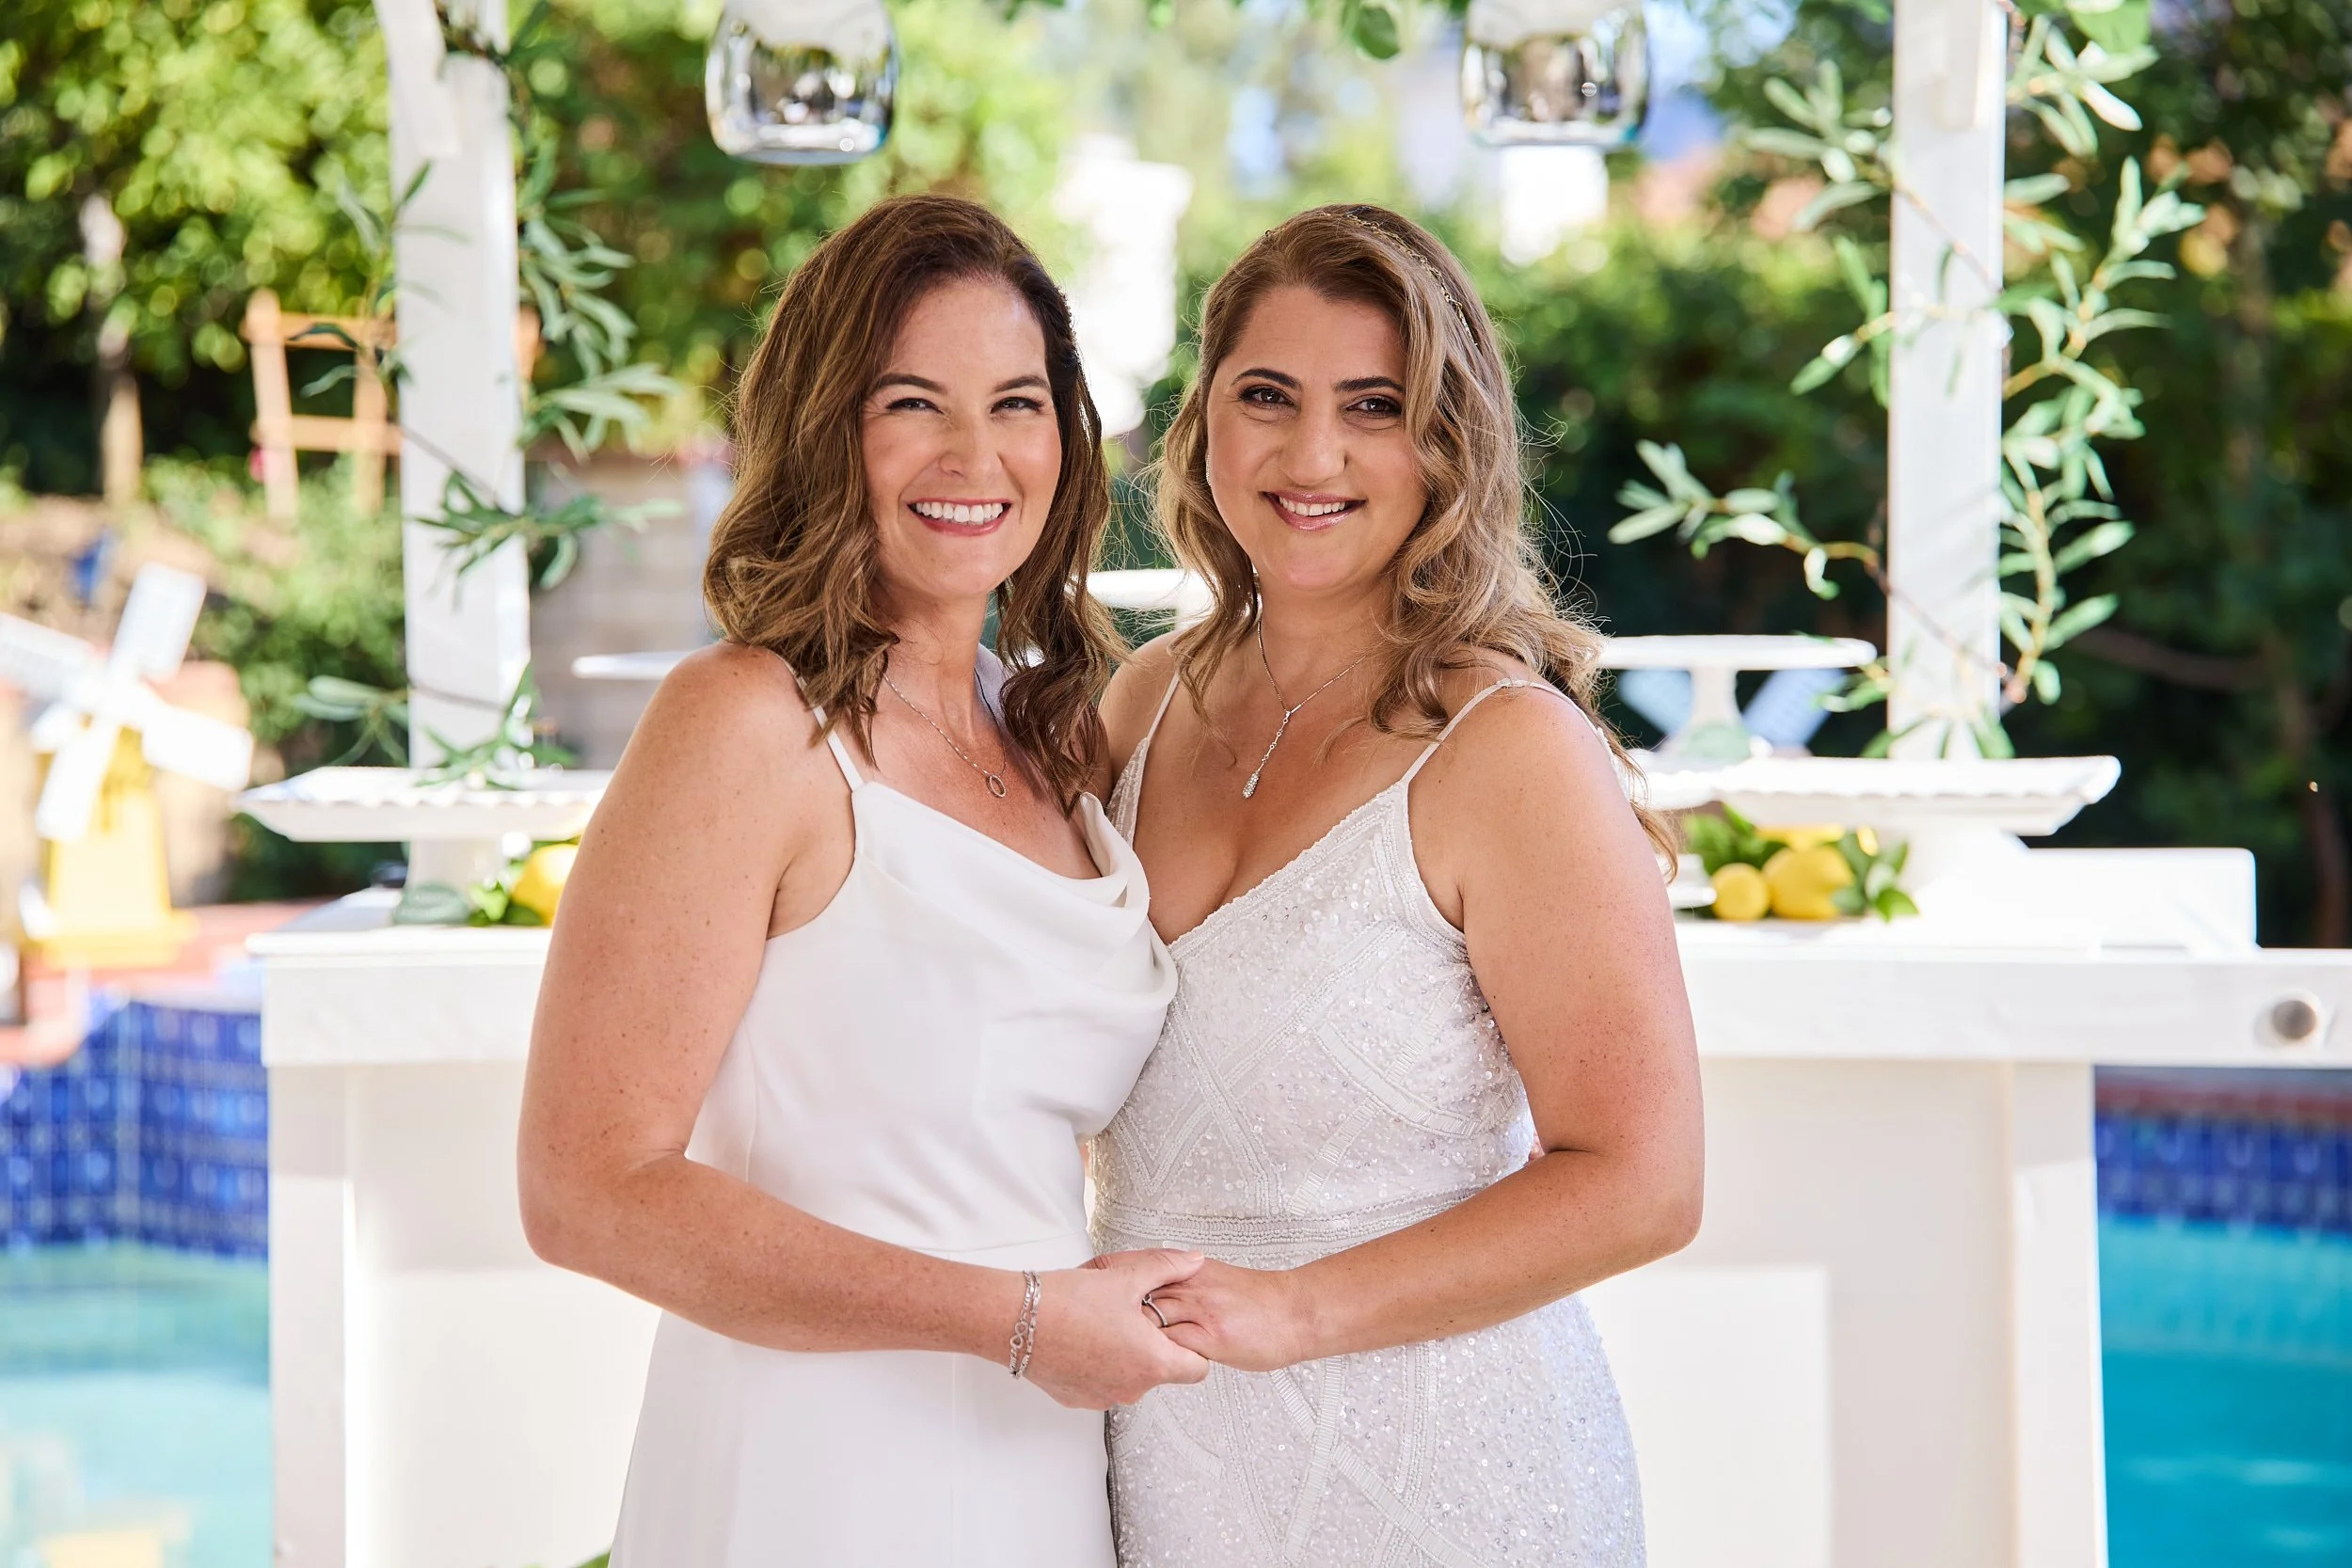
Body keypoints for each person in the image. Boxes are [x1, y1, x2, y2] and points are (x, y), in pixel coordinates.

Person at [516, 193, 1208, 1568]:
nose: (976, 453)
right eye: (913, 403)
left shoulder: (1049, 732)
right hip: (814, 1469)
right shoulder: (747, 722)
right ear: (831, 426)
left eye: (1018, 402)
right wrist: (1014, 1318)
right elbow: (586, 1188)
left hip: (1035, 1463)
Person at [1090, 204, 1705, 1566]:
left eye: (1375, 406)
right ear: (1205, 426)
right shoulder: (1140, 706)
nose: (1314, 455)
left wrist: (1297, 1311)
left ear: (1449, 444)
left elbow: (1643, 1179)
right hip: (1172, 1462)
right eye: (1269, 396)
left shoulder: (1510, 752)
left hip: (1448, 1475)